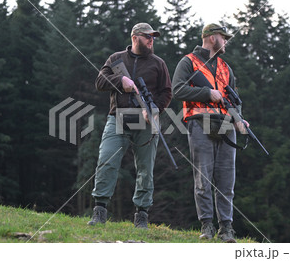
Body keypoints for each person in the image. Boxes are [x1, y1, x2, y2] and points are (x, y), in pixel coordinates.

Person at [87, 23, 172, 229]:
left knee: (145, 169)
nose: (152, 40)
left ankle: (141, 215)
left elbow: (167, 93)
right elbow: (100, 81)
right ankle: (99, 211)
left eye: (153, 37)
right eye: (147, 37)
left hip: (146, 121)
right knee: (106, 161)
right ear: (135, 38)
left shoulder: (158, 63)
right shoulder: (115, 59)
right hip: (117, 118)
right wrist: (121, 80)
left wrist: (154, 109)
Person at [172, 23, 247, 242]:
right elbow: (178, 90)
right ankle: (207, 225)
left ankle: (226, 228)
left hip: (225, 124)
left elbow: (234, 100)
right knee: (203, 177)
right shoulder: (188, 62)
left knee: (226, 179)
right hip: (199, 120)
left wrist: (239, 119)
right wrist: (207, 93)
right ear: (213, 38)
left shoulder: (226, 67)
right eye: (224, 38)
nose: (226, 42)